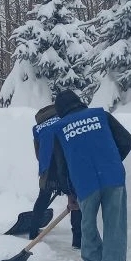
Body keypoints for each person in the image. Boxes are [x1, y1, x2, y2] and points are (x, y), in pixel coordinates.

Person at [50, 90, 131, 261]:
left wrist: (70, 193)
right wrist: (112, 159)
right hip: (113, 177)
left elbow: (61, 167)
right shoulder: (101, 115)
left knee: (87, 225)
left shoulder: (60, 128)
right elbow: (126, 139)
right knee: (116, 227)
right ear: (80, 103)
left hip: (84, 182)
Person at [29, 103, 82, 248]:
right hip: (67, 165)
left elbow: (39, 154)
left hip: (48, 169)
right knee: (74, 200)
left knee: (43, 198)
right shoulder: (66, 121)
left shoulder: (37, 129)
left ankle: (33, 231)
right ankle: (78, 240)